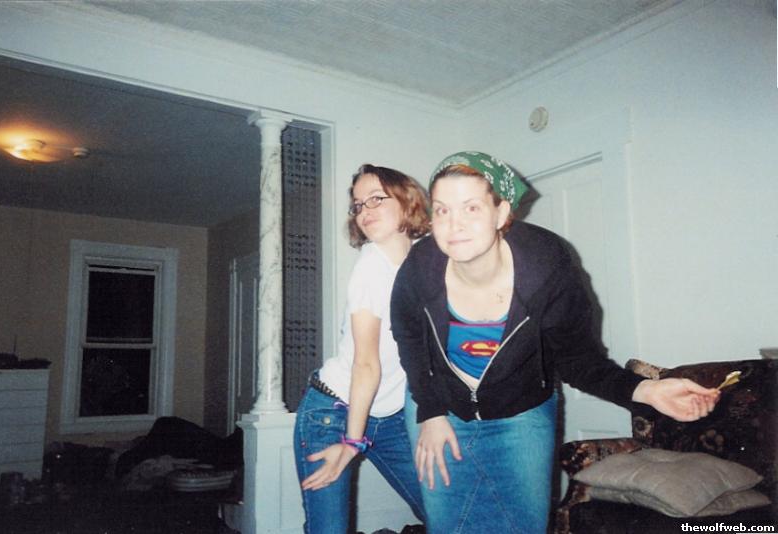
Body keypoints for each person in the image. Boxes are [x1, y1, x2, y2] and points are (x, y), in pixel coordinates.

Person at [390, 151, 720, 534]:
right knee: (449, 526)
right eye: (442, 210)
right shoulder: (420, 266)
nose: (454, 225)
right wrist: (430, 412)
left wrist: (646, 390)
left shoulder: (548, 265)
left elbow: (578, 359)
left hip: (522, 412)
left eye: (471, 208)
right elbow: (408, 338)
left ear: (501, 212)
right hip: (440, 408)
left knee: (523, 527)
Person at [293, 164, 428, 534]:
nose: (364, 210)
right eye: (357, 204)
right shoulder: (371, 268)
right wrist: (353, 441)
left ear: (407, 201)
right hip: (334, 413)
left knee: (447, 511)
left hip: (391, 415)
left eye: (376, 199)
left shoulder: (423, 260)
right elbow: (366, 364)